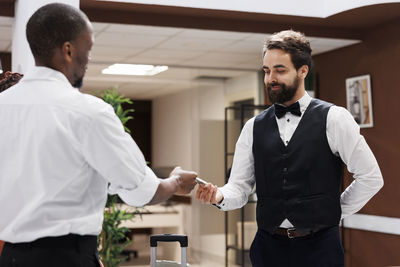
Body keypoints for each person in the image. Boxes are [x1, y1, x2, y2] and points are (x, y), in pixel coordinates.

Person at [0, 3, 197, 267]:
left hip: (10, 258)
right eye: (88, 49)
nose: (88, 59)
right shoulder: (88, 112)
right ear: (68, 50)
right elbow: (143, 192)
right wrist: (175, 182)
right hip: (67, 258)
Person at [196, 30, 383, 267]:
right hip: (267, 248)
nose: (271, 78)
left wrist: (333, 212)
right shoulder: (253, 127)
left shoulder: (335, 119)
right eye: (266, 70)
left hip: (320, 249)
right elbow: (240, 187)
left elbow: (371, 178)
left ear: (303, 70)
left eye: (280, 70)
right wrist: (220, 195)